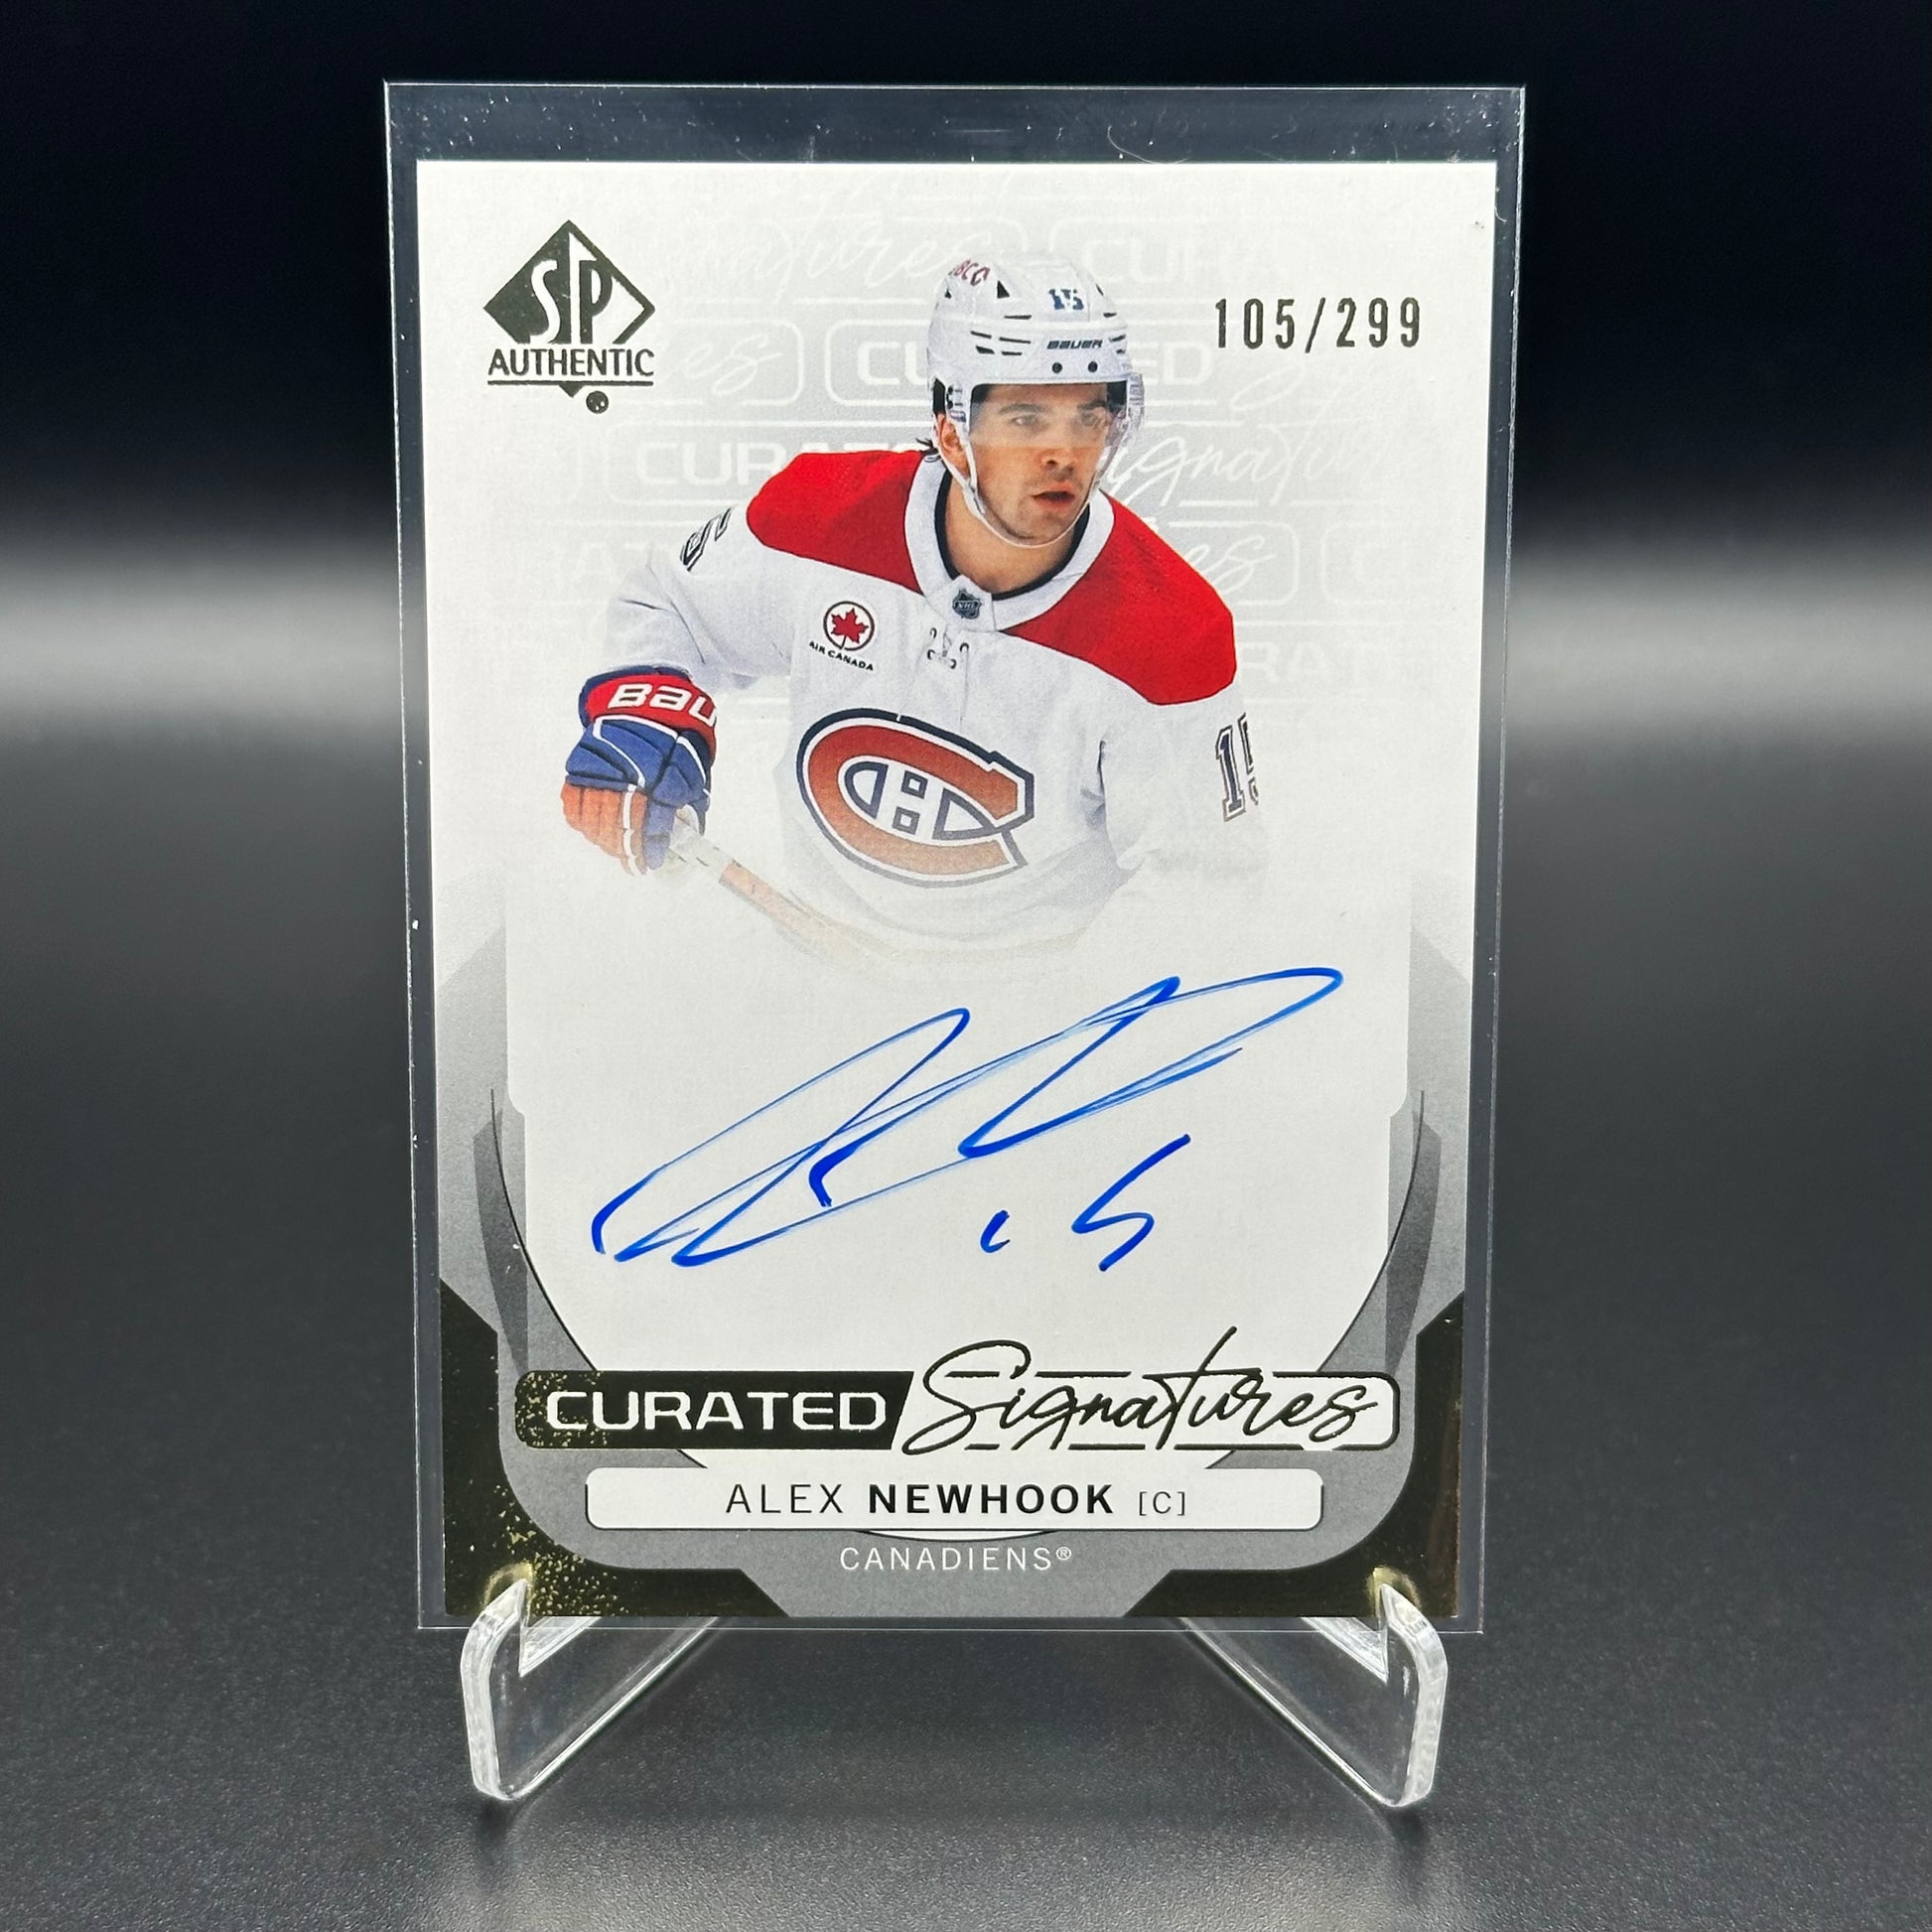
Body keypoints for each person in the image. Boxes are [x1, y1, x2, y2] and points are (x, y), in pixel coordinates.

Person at [561, 251, 1264, 951]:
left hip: (1039, 1001)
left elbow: (1202, 888)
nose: (1065, 453)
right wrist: (645, 716)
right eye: (1025, 418)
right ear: (951, 428)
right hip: (805, 977)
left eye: (1087, 417)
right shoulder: (816, 520)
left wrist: (1069, 1006)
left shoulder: (1172, 633)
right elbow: (670, 605)